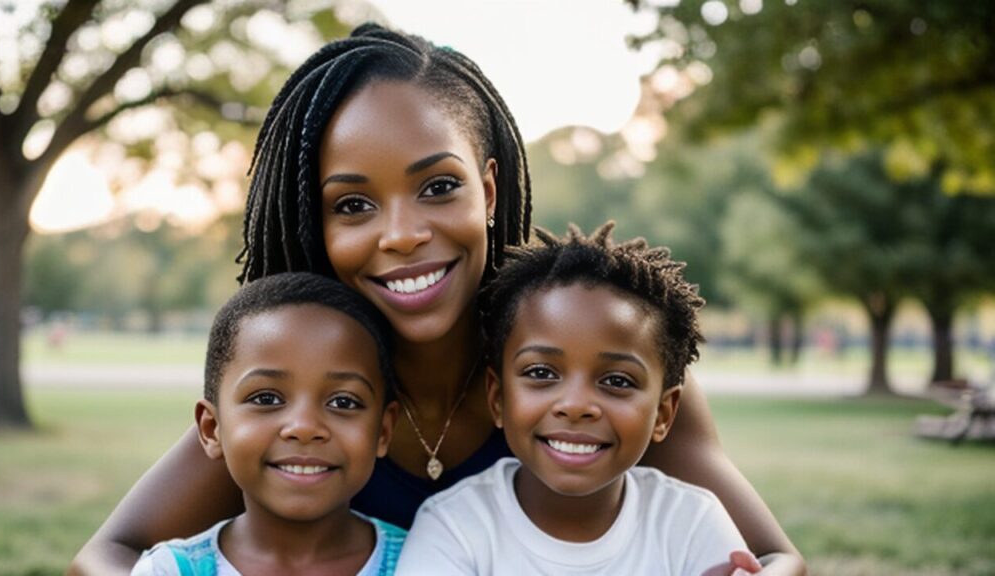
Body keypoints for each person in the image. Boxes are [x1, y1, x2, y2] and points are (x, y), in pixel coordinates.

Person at [70, 23, 803, 575]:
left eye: (438, 187)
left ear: (487, 190)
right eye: (353, 205)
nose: (402, 234)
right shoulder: (304, 386)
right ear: (314, 223)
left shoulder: (594, 368)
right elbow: (107, 552)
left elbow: (777, 558)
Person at [395, 223, 750, 575]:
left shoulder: (692, 524)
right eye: (541, 373)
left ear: (663, 414)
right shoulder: (454, 527)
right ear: (498, 398)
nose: (576, 405)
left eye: (616, 380)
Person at [131, 273, 405, 575]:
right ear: (211, 429)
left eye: (343, 402)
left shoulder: (427, 562)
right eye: (266, 399)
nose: (304, 427)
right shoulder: (169, 570)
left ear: (382, 431)